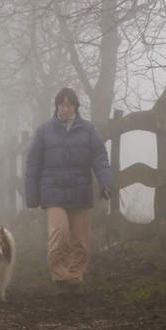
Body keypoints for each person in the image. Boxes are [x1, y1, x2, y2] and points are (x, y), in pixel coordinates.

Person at [24, 87, 113, 292]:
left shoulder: (89, 131)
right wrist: (32, 196)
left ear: (75, 107)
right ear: (57, 106)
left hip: (80, 191)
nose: (66, 108)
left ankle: (75, 276)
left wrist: (106, 184)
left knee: (81, 240)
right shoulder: (43, 132)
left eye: (70, 104)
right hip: (52, 191)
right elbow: (33, 164)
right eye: (62, 104)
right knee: (60, 232)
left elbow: (100, 158)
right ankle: (59, 275)